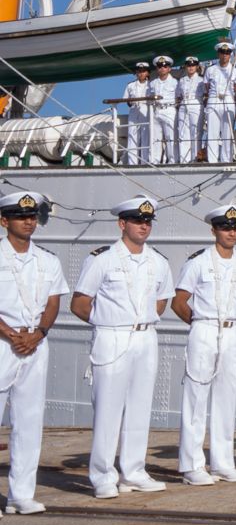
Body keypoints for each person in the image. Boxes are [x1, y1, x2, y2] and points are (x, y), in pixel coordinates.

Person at [72, 196, 175, 498]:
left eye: (147, 221)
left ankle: (133, 471)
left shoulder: (158, 261)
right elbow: (79, 303)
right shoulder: (102, 259)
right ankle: (103, 476)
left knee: (140, 407)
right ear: (122, 224)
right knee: (108, 409)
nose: (144, 226)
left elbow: (161, 299)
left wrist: (141, 321)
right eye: (137, 221)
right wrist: (106, 321)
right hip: (111, 336)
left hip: (145, 337)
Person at [170, 204, 236, 487]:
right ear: (214, 230)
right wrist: (199, 324)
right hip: (205, 328)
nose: (231, 232)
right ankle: (192, 464)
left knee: (226, 398)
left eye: (235, 228)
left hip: (232, 331)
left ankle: (222, 462)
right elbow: (179, 301)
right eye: (225, 227)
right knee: (196, 398)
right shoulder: (198, 262)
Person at [0, 191, 67, 514]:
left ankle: (21, 494)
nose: (28, 221)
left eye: (31, 216)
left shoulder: (48, 260)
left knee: (29, 420)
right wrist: (12, 335)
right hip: (3, 343)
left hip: (35, 345)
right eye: (20, 216)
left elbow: (54, 301)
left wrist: (38, 334)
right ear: (4, 221)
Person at [203, 43, 236, 164]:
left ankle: (226, 160)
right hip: (213, 100)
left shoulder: (235, 71)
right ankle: (212, 160)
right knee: (212, 133)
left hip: (228, 100)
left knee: (227, 133)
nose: (225, 55)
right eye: (222, 53)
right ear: (218, 53)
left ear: (230, 55)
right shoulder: (210, 70)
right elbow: (207, 87)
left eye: (227, 53)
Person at [148, 55, 179, 164]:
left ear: (169, 68)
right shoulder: (152, 83)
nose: (162, 68)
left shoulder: (175, 82)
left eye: (165, 66)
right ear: (157, 69)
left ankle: (172, 160)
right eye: (160, 66)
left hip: (169, 110)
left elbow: (179, 97)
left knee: (170, 137)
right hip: (157, 111)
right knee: (155, 138)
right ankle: (154, 160)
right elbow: (149, 98)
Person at [175, 56, 205, 163]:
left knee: (196, 132)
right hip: (184, 105)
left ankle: (195, 158)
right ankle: (184, 159)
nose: (191, 67)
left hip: (196, 104)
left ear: (197, 67)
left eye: (193, 65)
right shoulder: (182, 80)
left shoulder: (201, 80)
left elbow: (205, 94)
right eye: (189, 65)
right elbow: (178, 95)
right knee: (183, 132)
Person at [122, 62, 153, 166]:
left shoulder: (152, 84)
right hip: (134, 110)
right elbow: (125, 100)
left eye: (143, 71)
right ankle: (132, 163)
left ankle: (144, 162)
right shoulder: (130, 85)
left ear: (147, 73)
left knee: (145, 137)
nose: (141, 73)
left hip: (146, 109)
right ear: (136, 72)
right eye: (139, 71)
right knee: (132, 136)